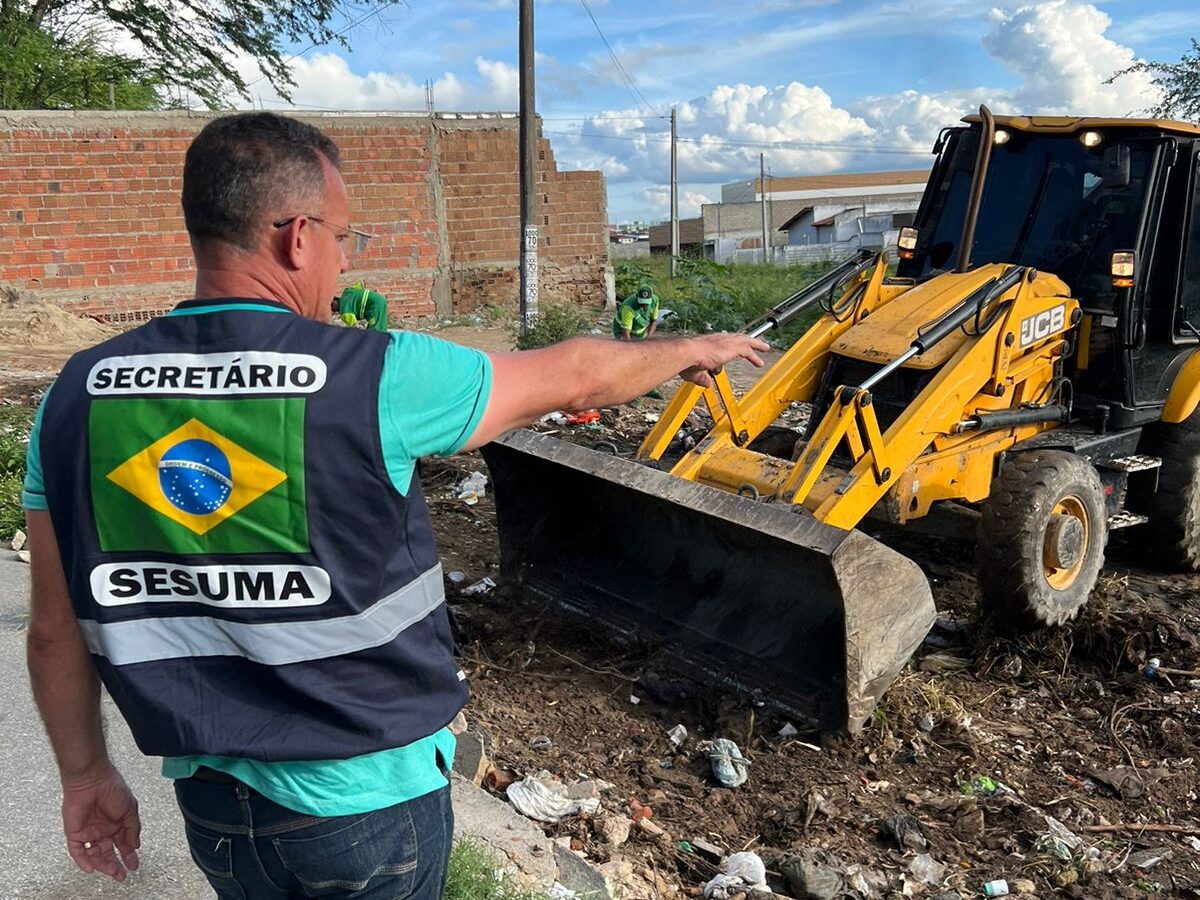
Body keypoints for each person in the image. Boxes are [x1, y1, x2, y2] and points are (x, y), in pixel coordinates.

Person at [23, 111, 767, 899]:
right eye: (346, 240)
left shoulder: (76, 395)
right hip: (368, 805)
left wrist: (85, 775)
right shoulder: (378, 375)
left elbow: (51, 630)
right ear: (297, 237)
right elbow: (576, 374)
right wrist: (688, 349)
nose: (345, 266)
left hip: (215, 806)